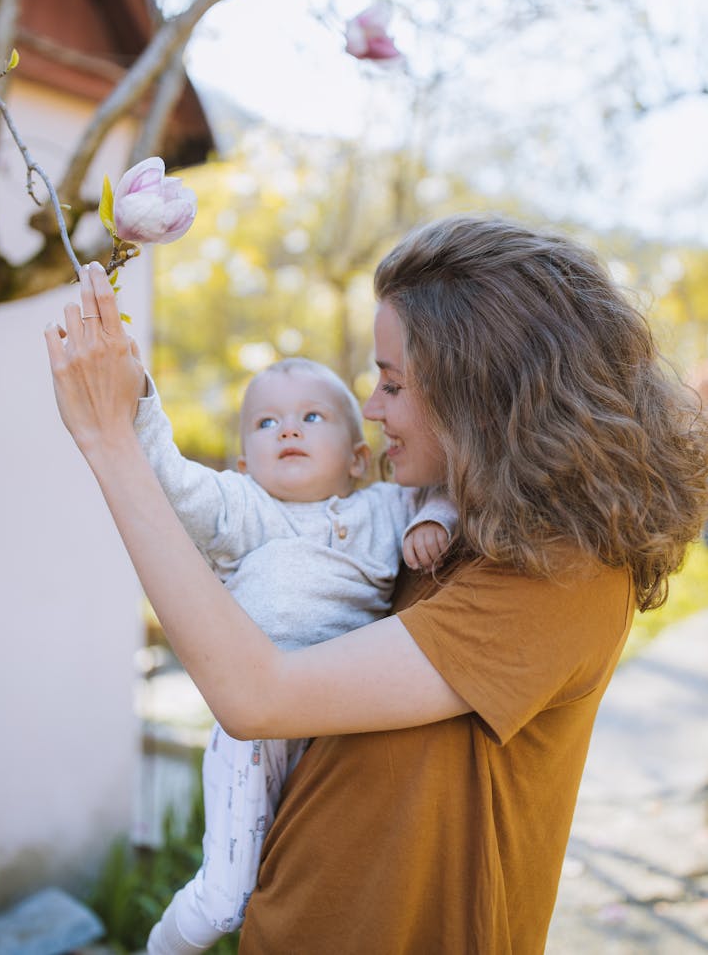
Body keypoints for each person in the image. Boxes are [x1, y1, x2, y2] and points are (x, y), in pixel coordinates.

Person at [45, 215, 708, 955]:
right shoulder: (440, 524)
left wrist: (110, 442)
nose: (371, 407)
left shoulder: (563, 574)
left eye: (393, 382)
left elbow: (258, 694)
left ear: (483, 392)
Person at [133, 356, 455, 953]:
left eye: (311, 416)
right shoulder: (240, 510)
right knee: (228, 900)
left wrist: (433, 519)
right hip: (253, 732)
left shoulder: (387, 508)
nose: (288, 430)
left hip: (337, 728)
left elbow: (453, 486)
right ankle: (159, 947)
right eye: (266, 423)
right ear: (243, 463)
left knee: (307, 871)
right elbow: (167, 477)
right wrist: (141, 397)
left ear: (359, 457)